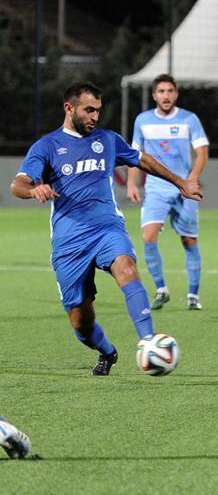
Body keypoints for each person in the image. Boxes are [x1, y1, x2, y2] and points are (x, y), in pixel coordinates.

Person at [10, 81, 203, 376]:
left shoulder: (108, 140)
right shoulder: (47, 146)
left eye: (98, 110)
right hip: (69, 241)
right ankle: (107, 351)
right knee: (80, 321)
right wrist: (32, 190)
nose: (95, 117)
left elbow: (142, 159)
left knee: (127, 267)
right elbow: (18, 184)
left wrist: (181, 182)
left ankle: (148, 341)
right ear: (69, 108)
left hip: (106, 228)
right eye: (89, 110)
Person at [127, 74, 209, 311]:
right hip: (156, 188)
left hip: (184, 188)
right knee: (148, 237)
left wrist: (191, 179)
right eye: (161, 91)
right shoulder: (142, 120)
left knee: (189, 240)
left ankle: (193, 295)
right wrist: (132, 183)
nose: (166, 95)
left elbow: (202, 152)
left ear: (176, 94)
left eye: (170, 91)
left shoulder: (189, 119)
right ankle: (161, 289)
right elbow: (135, 155)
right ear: (154, 95)